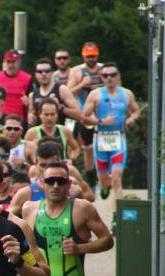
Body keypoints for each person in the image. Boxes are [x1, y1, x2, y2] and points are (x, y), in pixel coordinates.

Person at [81, 62, 140, 199]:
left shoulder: (126, 94)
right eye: (105, 75)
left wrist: (132, 119)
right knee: (104, 179)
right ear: (101, 77)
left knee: (116, 178)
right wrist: (101, 121)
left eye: (112, 75)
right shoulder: (95, 95)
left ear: (118, 76)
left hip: (118, 139)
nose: (109, 78)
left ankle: (116, 216)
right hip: (101, 138)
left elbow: (135, 111)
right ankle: (103, 186)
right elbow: (83, 118)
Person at [9, 141, 90, 215]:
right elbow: (5, 221)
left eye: (51, 164)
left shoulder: (74, 189)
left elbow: (89, 213)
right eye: (43, 165)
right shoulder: (25, 193)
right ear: (36, 164)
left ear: (60, 162)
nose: (47, 170)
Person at [68, 42, 104, 182]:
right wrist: (82, 84)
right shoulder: (77, 71)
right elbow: (68, 91)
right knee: (87, 147)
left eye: (93, 56)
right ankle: (90, 177)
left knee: (104, 145)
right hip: (84, 113)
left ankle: (104, 173)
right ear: (83, 56)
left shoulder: (104, 70)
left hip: (102, 112)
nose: (91, 59)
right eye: (88, 56)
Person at [27, 58, 81, 126]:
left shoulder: (61, 90)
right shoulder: (32, 95)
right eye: (40, 71)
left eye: (47, 71)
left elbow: (79, 115)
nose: (43, 74)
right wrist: (31, 118)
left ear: (52, 73)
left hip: (59, 133)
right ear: (36, 74)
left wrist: (61, 107)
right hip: (41, 134)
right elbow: (31, 118)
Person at [24, 98, 81, 163]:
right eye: (46, 114)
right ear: (40, 114)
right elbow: (25, 154)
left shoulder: (64, 130)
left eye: (52, 114)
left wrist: (71, 160)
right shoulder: (32, 132)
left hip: (61, 169)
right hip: (41, 170)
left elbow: (75, 148)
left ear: (57, 114)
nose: (49, 118)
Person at [0, 50, 32, 123]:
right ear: (4, 63)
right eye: (8, 62)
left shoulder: (27, 78)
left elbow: (32, 99)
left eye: (13, 62)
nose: (11, 65)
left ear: (19, 62)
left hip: (20, 120)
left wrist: (29, 103)